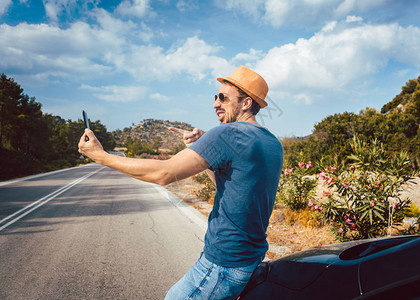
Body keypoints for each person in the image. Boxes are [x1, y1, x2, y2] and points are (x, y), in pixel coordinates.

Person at [78, 65, 283, 299]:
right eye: (215, 96)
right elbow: (231, 187)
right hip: (249, 259)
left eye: (223, 98)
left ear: (246, 103)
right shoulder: (271, 143)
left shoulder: (226, 134)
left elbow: (163, 173)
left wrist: (100, 156)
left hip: (223, 263)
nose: (215, 103)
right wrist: (205, 153)